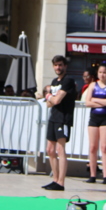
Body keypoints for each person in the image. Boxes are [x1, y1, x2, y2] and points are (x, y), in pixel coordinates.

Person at [43, 55, 77, 191]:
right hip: (53, 117)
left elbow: (56, 100)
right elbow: (49, 104)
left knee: (60, 149)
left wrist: (48, 96)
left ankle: (61, 182)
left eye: (60, 65)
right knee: (50, 150)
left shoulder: (68, 80)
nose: (58, 67)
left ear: (65, 66)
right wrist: (51, 98)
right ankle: (55, 179)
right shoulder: (54, 81)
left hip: (63, 118)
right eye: (56, 65)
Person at [84, 64, 106, 184]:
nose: (102, 75)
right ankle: (92, 175)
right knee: (93, 147)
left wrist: (95, 100)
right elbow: (87, 102)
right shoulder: (93, 85)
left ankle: (105, 176)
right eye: (100, 72)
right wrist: (104, 102)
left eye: (104, 72)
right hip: (94, 117)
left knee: (104, 147)